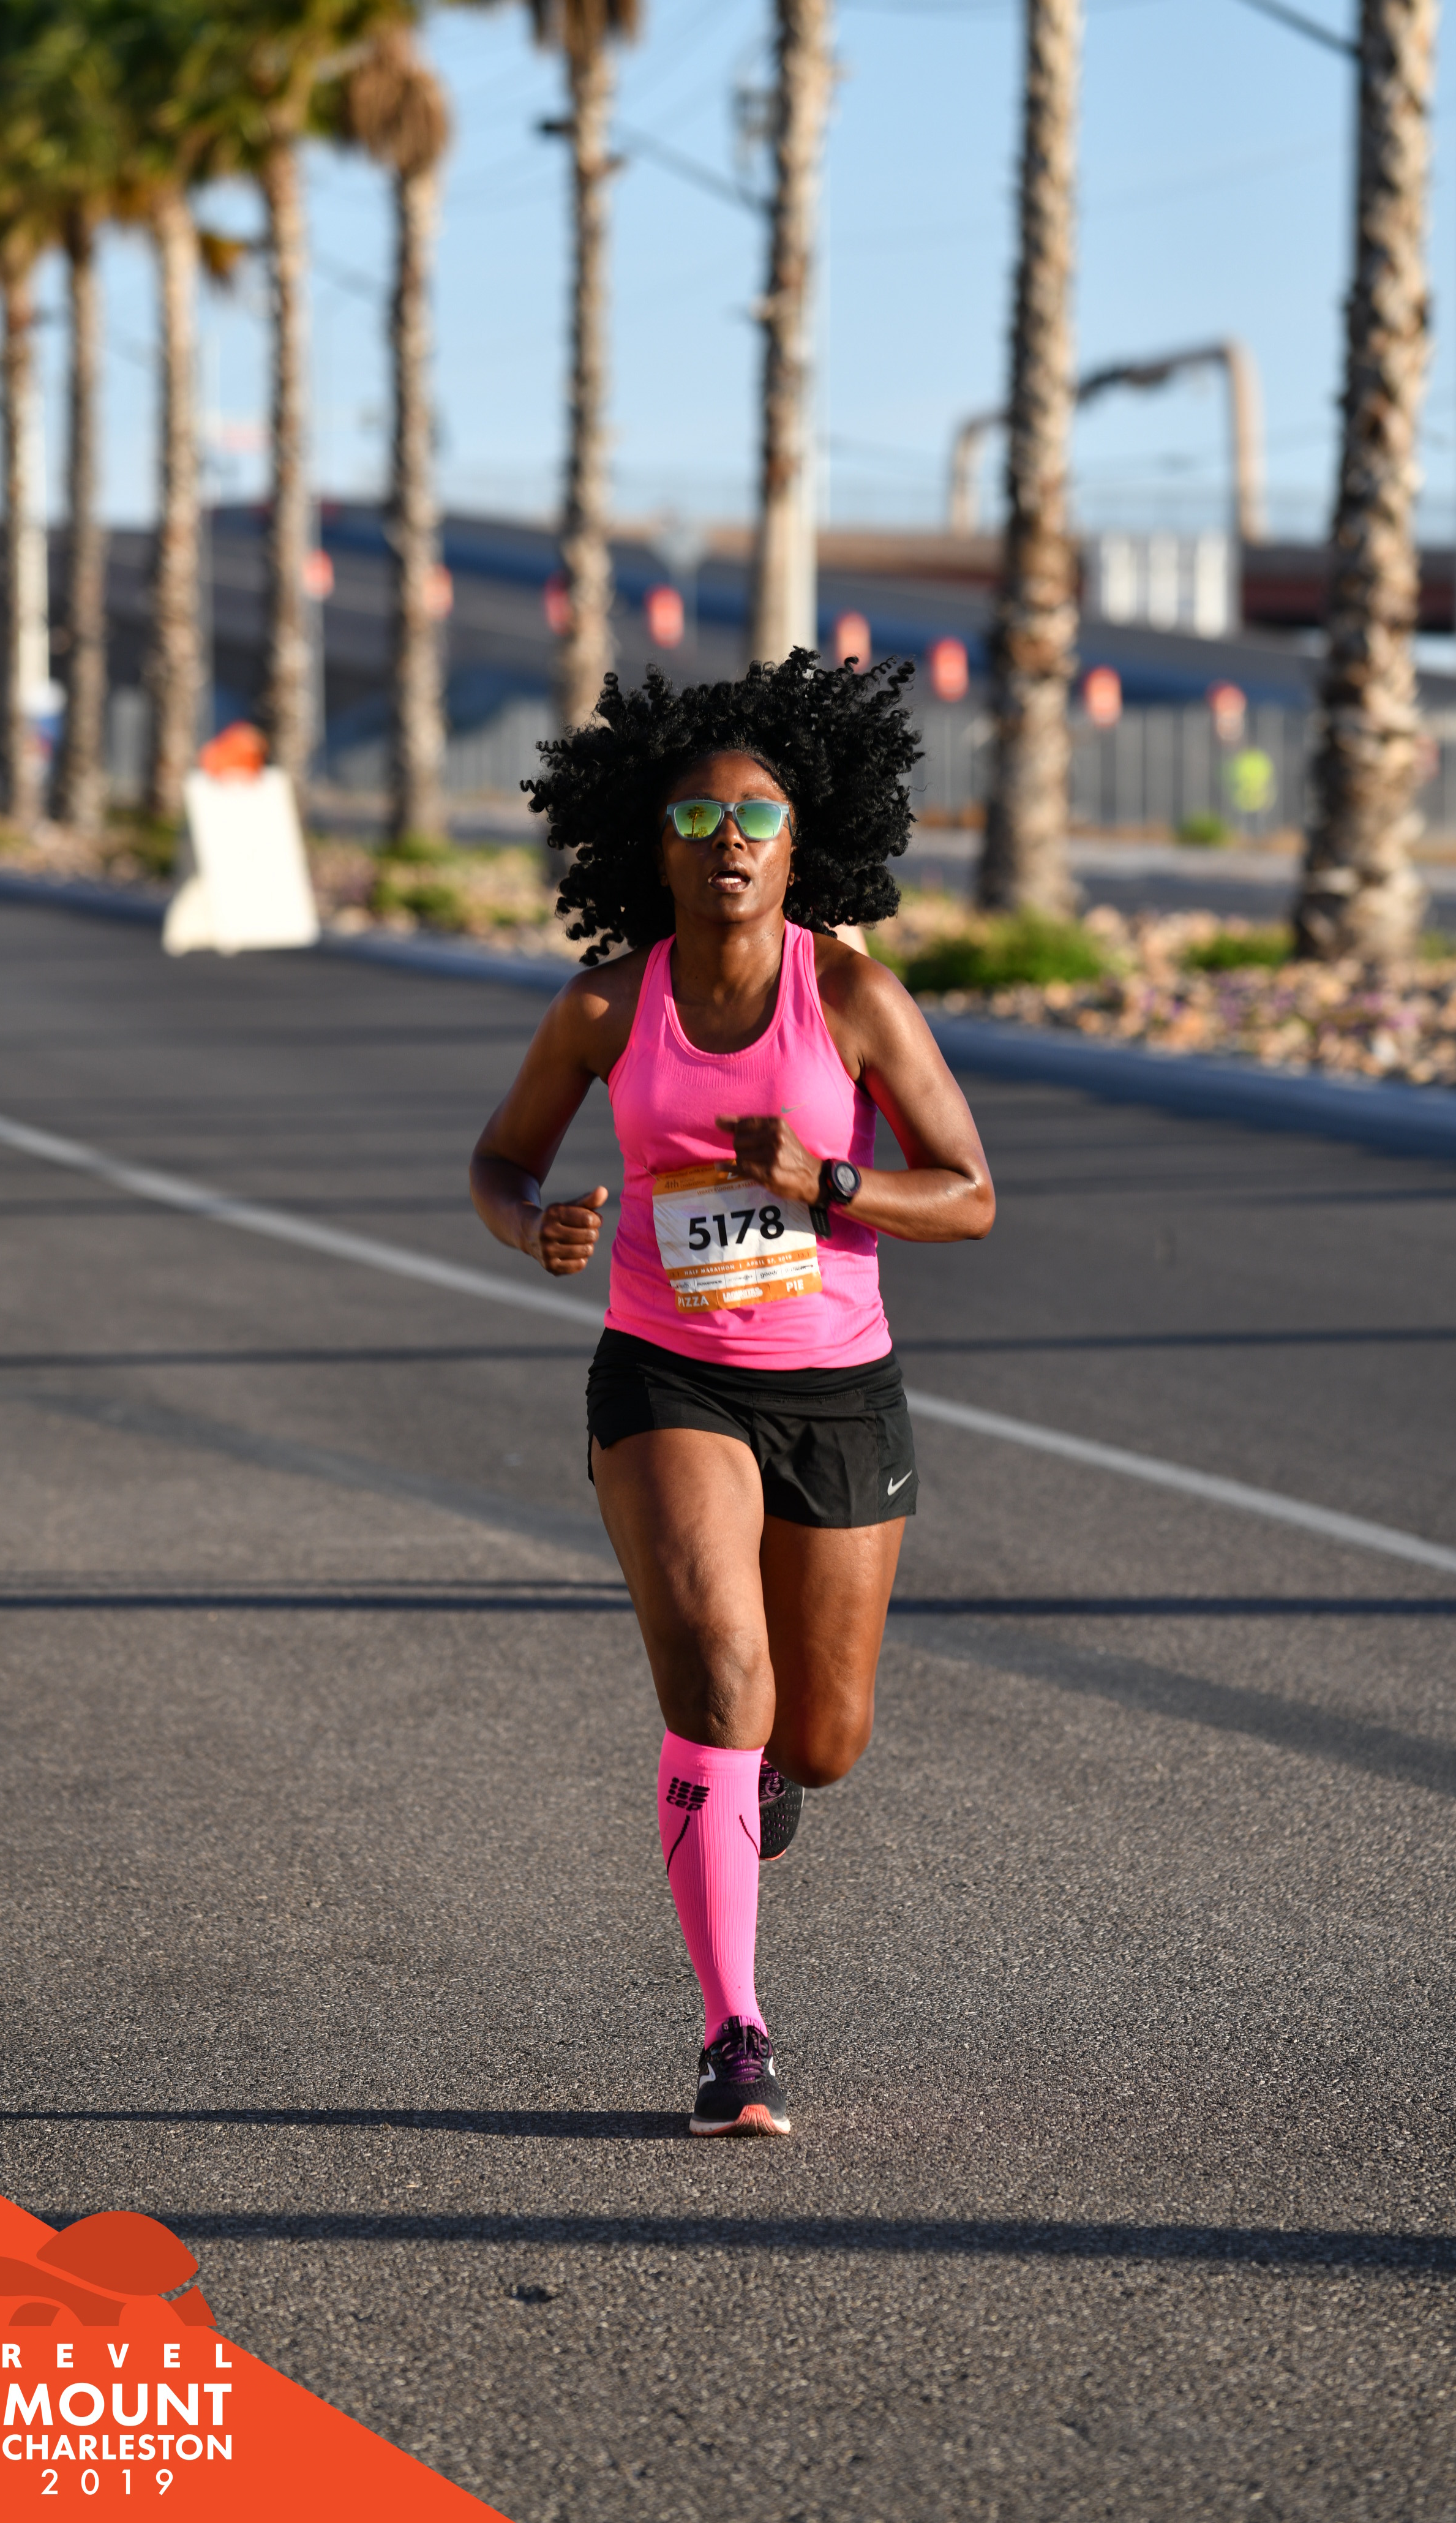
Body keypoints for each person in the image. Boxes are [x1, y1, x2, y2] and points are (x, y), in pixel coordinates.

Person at [470, 651, 994, 2135]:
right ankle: (732, 2034)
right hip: (665, 1372)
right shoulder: (604, 1007)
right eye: (695, 822)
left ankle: (757, 1777)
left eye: (755, 818)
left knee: (818, 1739)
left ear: (799, 842)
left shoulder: (852, 996)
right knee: (717, 1677)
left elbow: (967, 1194)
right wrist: (532, 1223)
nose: (728, 843)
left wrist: (829, 1180)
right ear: (652, 850)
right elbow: (498, 1160)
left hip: (836, 1391)